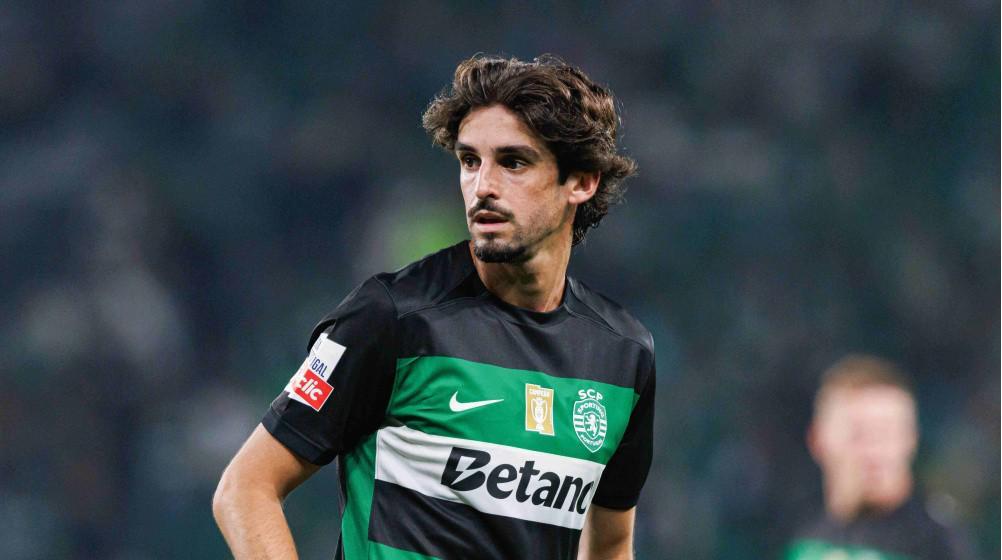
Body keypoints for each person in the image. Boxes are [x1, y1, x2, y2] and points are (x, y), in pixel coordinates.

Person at [213, 54, 655, 560]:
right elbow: (245, 489)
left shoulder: (623, 356)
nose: (482, 186)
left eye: (513, 162)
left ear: (581, 181)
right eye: (470, 161)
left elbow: (611, 545)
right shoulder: (392, 318)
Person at [783, 354, 975, 560]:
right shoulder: (796, 533)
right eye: (858, 435)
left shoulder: (937, 542)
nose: (874, 452)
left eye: (887, 433)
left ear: (911, 439)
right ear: (818, 440)